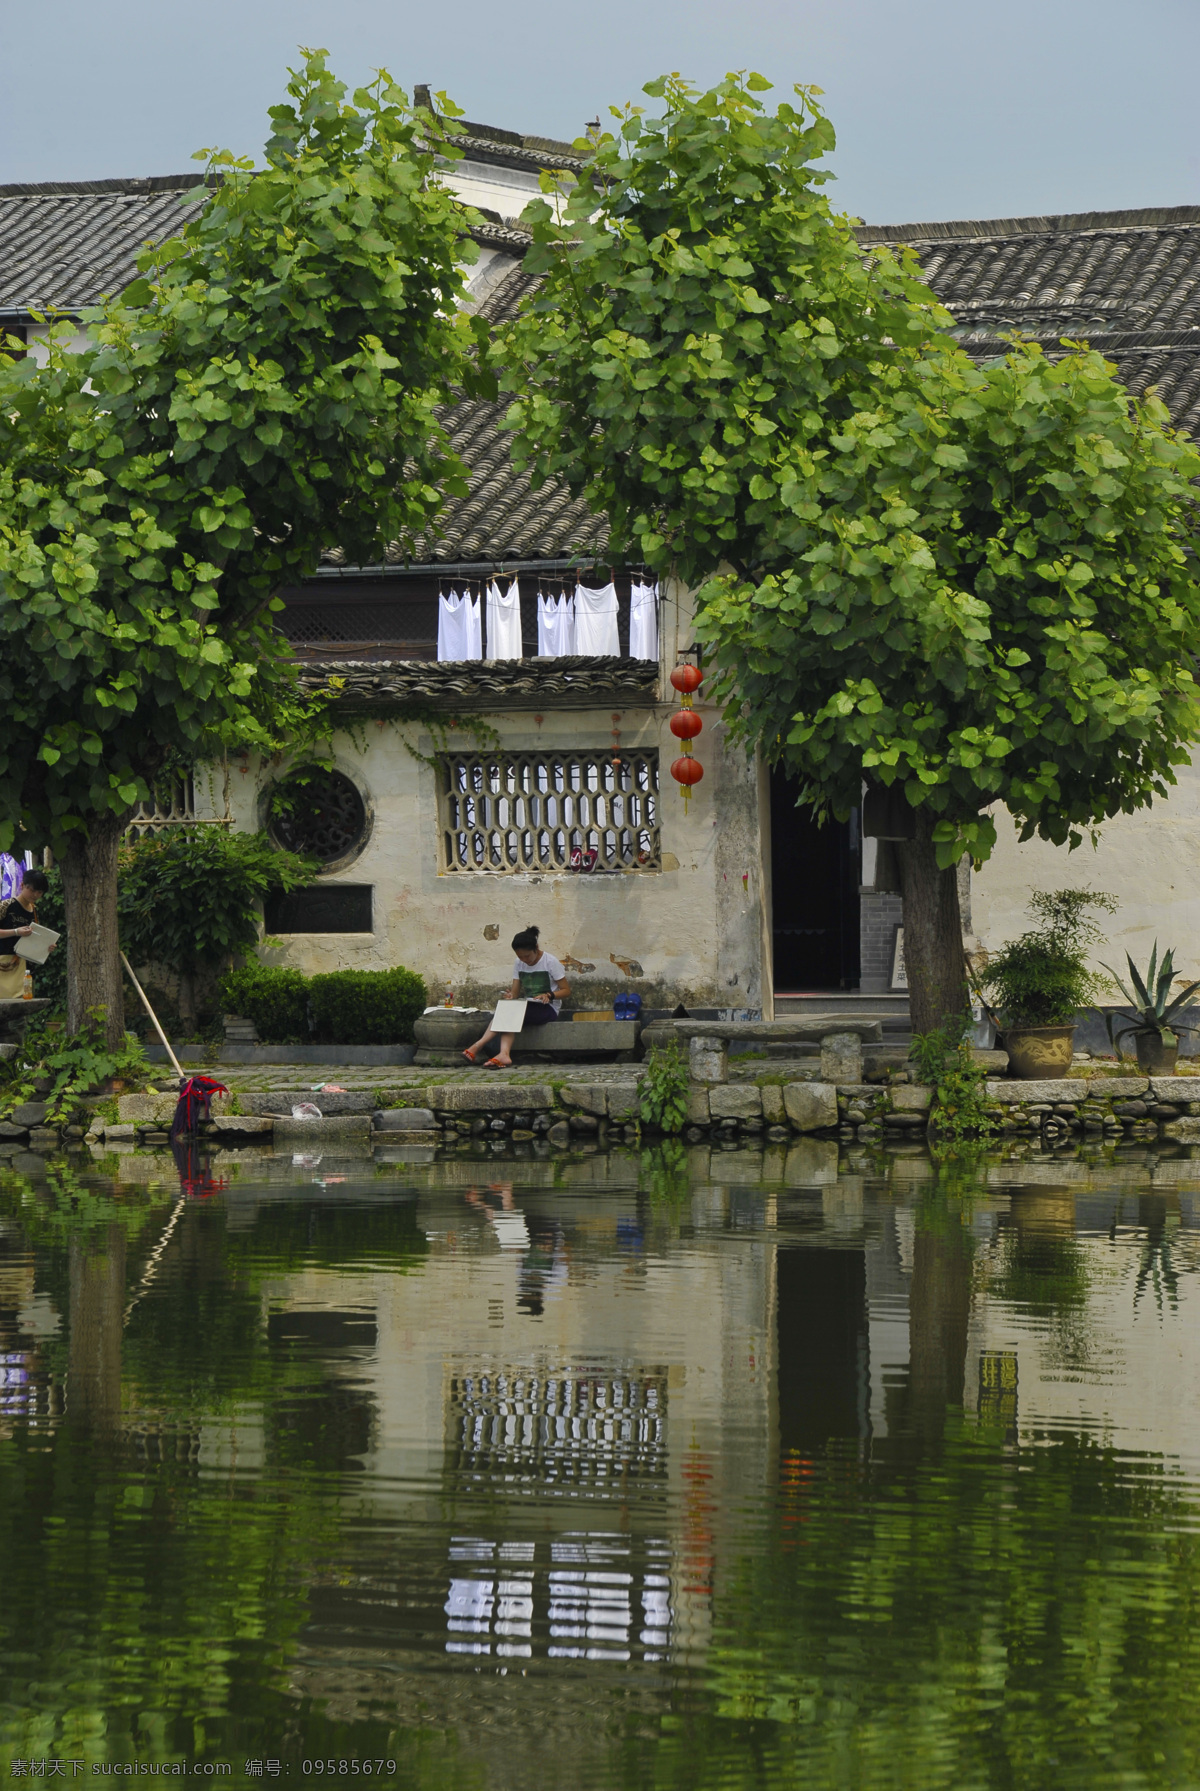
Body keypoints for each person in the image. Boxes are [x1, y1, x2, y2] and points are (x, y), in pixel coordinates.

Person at [464, 925, 570, 1068]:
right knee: (508, 1008)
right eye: (520, 956)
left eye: (527, 956)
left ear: (536, 948)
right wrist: (510, 996)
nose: (524, 960)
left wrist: (549, 995)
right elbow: (515, 992)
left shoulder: (550, 962)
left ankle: (479, 1046)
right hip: (528, 1005)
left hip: (547, 1008)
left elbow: (566, 991)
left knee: (512, 1012)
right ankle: (503, 1054)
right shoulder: (519, 963)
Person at [0, 867, 50, 999]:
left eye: (39, 892)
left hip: (25, 968)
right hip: (4, 966)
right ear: (22, 885)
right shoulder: (5, 905)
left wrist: (46, 948)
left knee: (22, 1012)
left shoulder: (34, 911)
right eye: (32, 890)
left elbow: (33, 941)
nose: (35, 895)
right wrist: (16, 931)